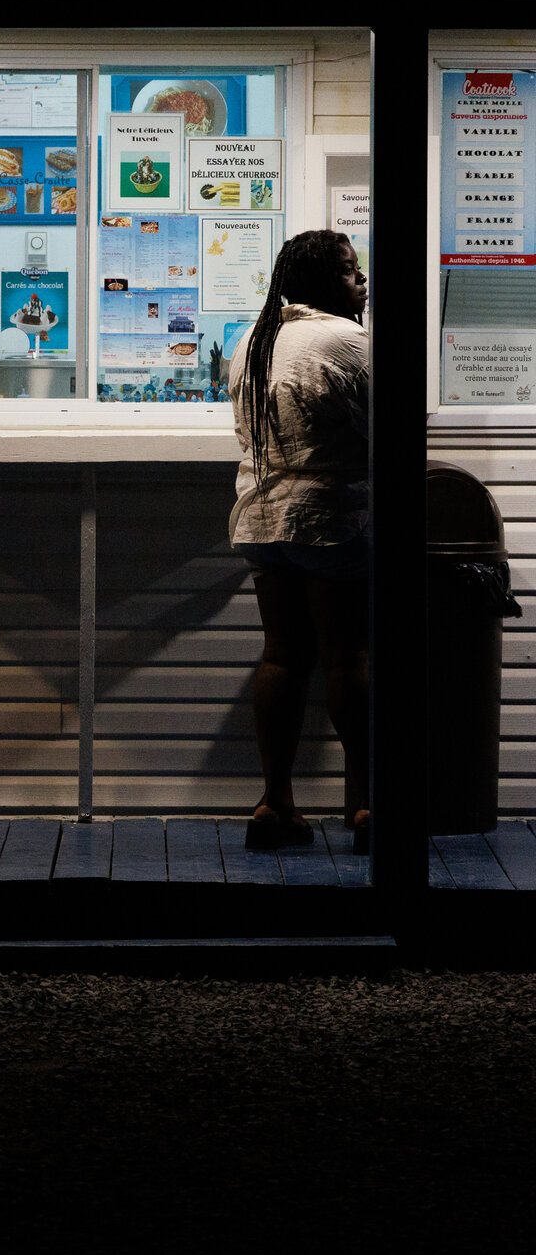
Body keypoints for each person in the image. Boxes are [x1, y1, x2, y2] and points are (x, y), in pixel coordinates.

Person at [227, 230, 370, 852]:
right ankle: (366, 805)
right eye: (348, 271)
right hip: (327, 519)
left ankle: (275, 803)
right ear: (318, 281)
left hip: (261, 519)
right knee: (348, 657)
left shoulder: (254, 342)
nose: (360, 281)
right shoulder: (344, 341)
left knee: (283, 655)